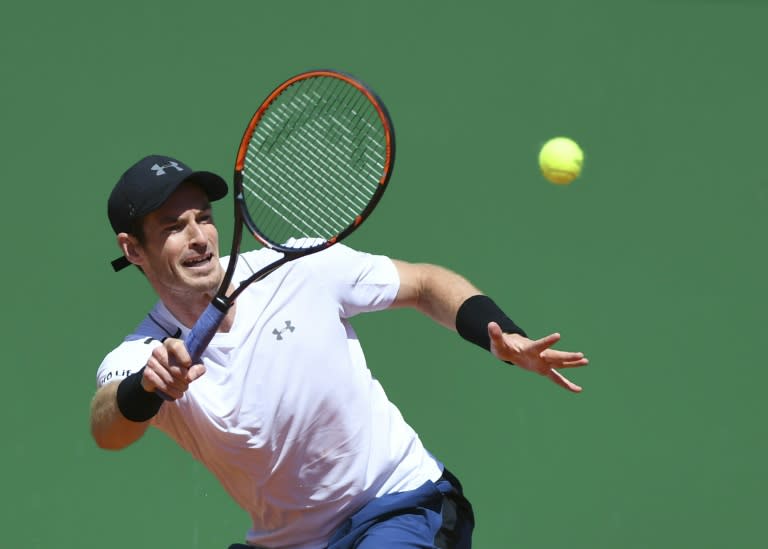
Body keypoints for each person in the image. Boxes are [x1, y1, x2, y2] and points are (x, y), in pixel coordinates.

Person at [90, 154, 589, 549]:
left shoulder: (298, 267)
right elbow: (107, 426)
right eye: (174, 227)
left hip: (399, 505)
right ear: (133, 250)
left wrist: (501, 335)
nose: (199, 237)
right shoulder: (143, 353)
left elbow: (423, 283)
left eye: (204, 217)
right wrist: (148, 387)